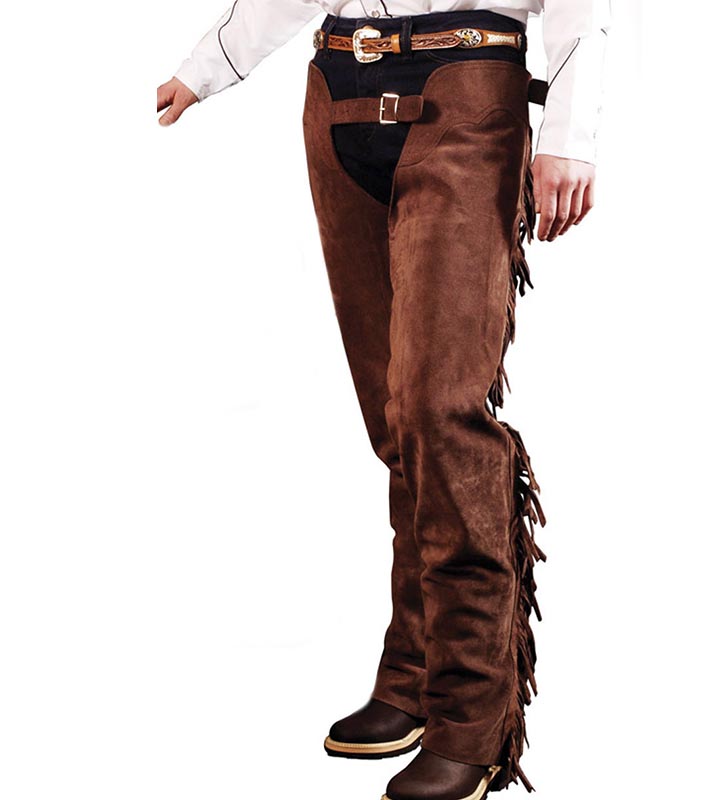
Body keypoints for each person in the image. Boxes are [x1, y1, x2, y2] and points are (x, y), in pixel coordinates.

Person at [157, 2, 610, 797]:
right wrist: (206, 67)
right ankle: (414, 675)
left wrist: (569, 135)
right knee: (398, 423)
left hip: (467, 90)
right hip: (337, 90)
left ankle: (473, 712)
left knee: (441, 413)